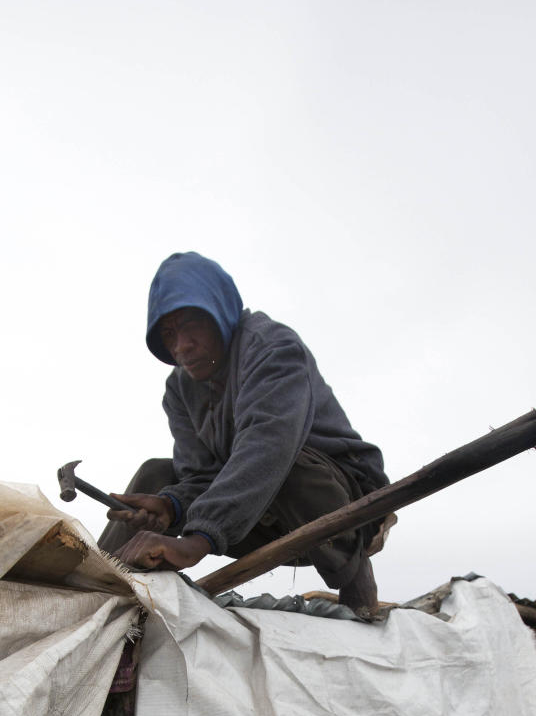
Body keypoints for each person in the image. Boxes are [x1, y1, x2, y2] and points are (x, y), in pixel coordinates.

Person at [102, 251, 390, 614]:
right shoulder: (179, 389)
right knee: (155, 475)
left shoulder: (272, 349)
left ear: (220, 312)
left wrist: (197, 540)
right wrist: (171, 506)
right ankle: (101, 590)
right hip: (253, 511)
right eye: (170, 334)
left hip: (342, 508)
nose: (182, 346)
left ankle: (355, 577)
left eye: (191, 325)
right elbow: (201, 474)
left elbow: (267, 447)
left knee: (287, 465)